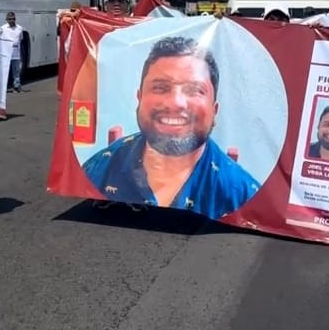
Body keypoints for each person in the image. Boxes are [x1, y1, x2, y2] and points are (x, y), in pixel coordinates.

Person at [82, 36, 260, 219]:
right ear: (139, 98)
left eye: (194, 90)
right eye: (160, 87)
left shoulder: (244, 194)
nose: (176, 103)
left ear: (214, 110)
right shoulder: (98, 168)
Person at [1, 12, 24, 92]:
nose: (12, 20)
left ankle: (17, 86)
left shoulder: (19, 28)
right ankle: (3, 87)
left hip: (16, 54)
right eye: (10, 19)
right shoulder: (3, 28)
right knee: (5, 72)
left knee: (16, 71)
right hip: (6, 54)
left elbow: (20, 40)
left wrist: (20, 53)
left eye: (13, 19)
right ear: (6, 20)